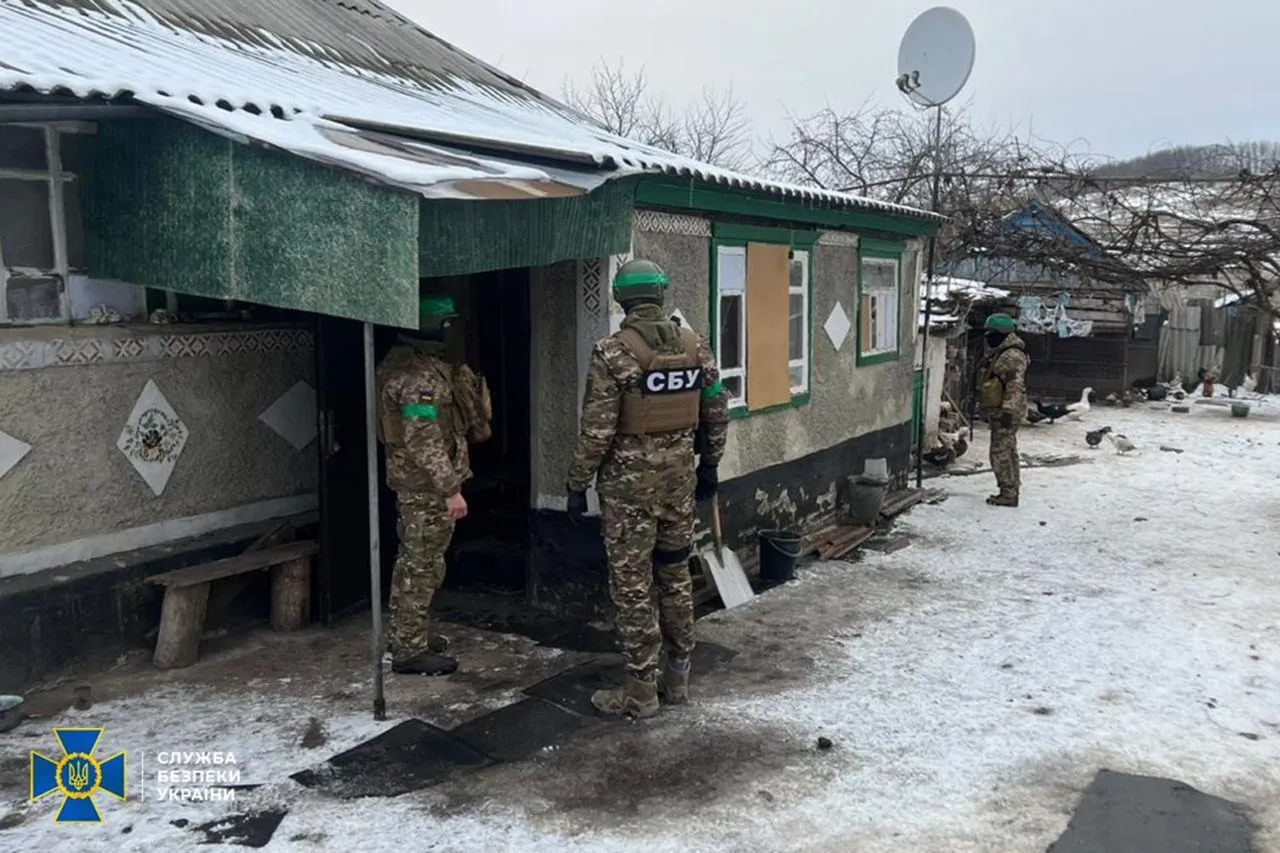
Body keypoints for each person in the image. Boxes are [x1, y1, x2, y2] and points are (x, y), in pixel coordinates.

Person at [566, 259, 730, 718]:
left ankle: (640, 692)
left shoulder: (612, 353)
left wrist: (577, 484)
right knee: (675, 575)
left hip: (628, 494)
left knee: (633, 586)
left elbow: (597, 430)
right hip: (679, 484)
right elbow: (716, 410)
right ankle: (677, 678)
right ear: (660, 294)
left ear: (621, 299)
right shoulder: (698, 347)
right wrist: (711, 464)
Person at [375, 295, 484, 676]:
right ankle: (408, 650)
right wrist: (450, 488)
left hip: (419, 483)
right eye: (447, 322)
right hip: (425, 487)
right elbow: (422, 437)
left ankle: (406, 635)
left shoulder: (408, 362)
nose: (451, 328)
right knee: (421, 566)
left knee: (414, 561)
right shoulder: (417, 377)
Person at [976, 312, 1030, 507]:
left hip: (1006, 411)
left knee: (1000, 452)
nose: (988, 337)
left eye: (991, 333)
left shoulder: (1011, 356)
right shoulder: (1003, 351)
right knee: (1008, 449)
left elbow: (1014, 386)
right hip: (1004, 409)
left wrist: (1008, 411)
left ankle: (1008, 492)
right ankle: (1011, 488)